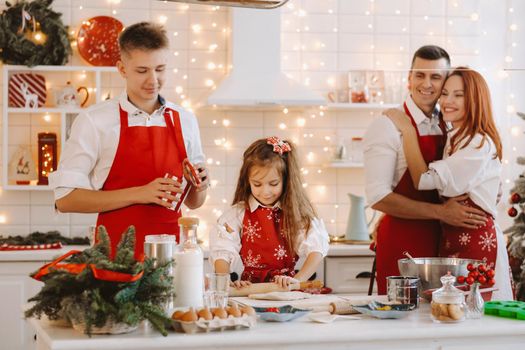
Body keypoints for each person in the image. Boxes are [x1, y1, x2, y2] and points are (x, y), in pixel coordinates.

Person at [49, 22, 209, 259]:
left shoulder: (185, 119)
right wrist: (141, 193)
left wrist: (201, 184)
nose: (153, 80)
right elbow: (66, 200)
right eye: (142, 70)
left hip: (172, 257)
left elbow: (195, 202)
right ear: (122, 69)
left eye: (160, 69)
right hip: (114, 260)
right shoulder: (94, 120)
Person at [364, 45, 487, 295]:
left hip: (445, 241)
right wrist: (441, 212)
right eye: (420, 75)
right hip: (403, 242)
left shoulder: (452, 122)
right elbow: (378, 197)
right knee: (402, 322)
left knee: (444, 321)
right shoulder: (387, 126)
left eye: (436, 76)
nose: (426, 84)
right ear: (409, 78)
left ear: (446, 81)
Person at [384, 67, 513, 300]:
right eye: (445, 93)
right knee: (452, 311)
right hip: (453, 239)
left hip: (476, 242)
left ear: (475, 99)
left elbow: (423, 179)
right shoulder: (456, 137)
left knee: (472, 314)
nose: (447, 101)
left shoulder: (477, 143)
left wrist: (407, 130)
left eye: (458, 95)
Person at [209, 137, 329, 288]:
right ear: (247, 181)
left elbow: (316, 250)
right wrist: (225, 281)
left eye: (273, 184)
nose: (265, 192)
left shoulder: (296, 214)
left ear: (286, 181)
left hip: (286, 290)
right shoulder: (237, 213)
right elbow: (223, 248)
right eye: (257, 184)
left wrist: (297, 280)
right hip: (250, 291)